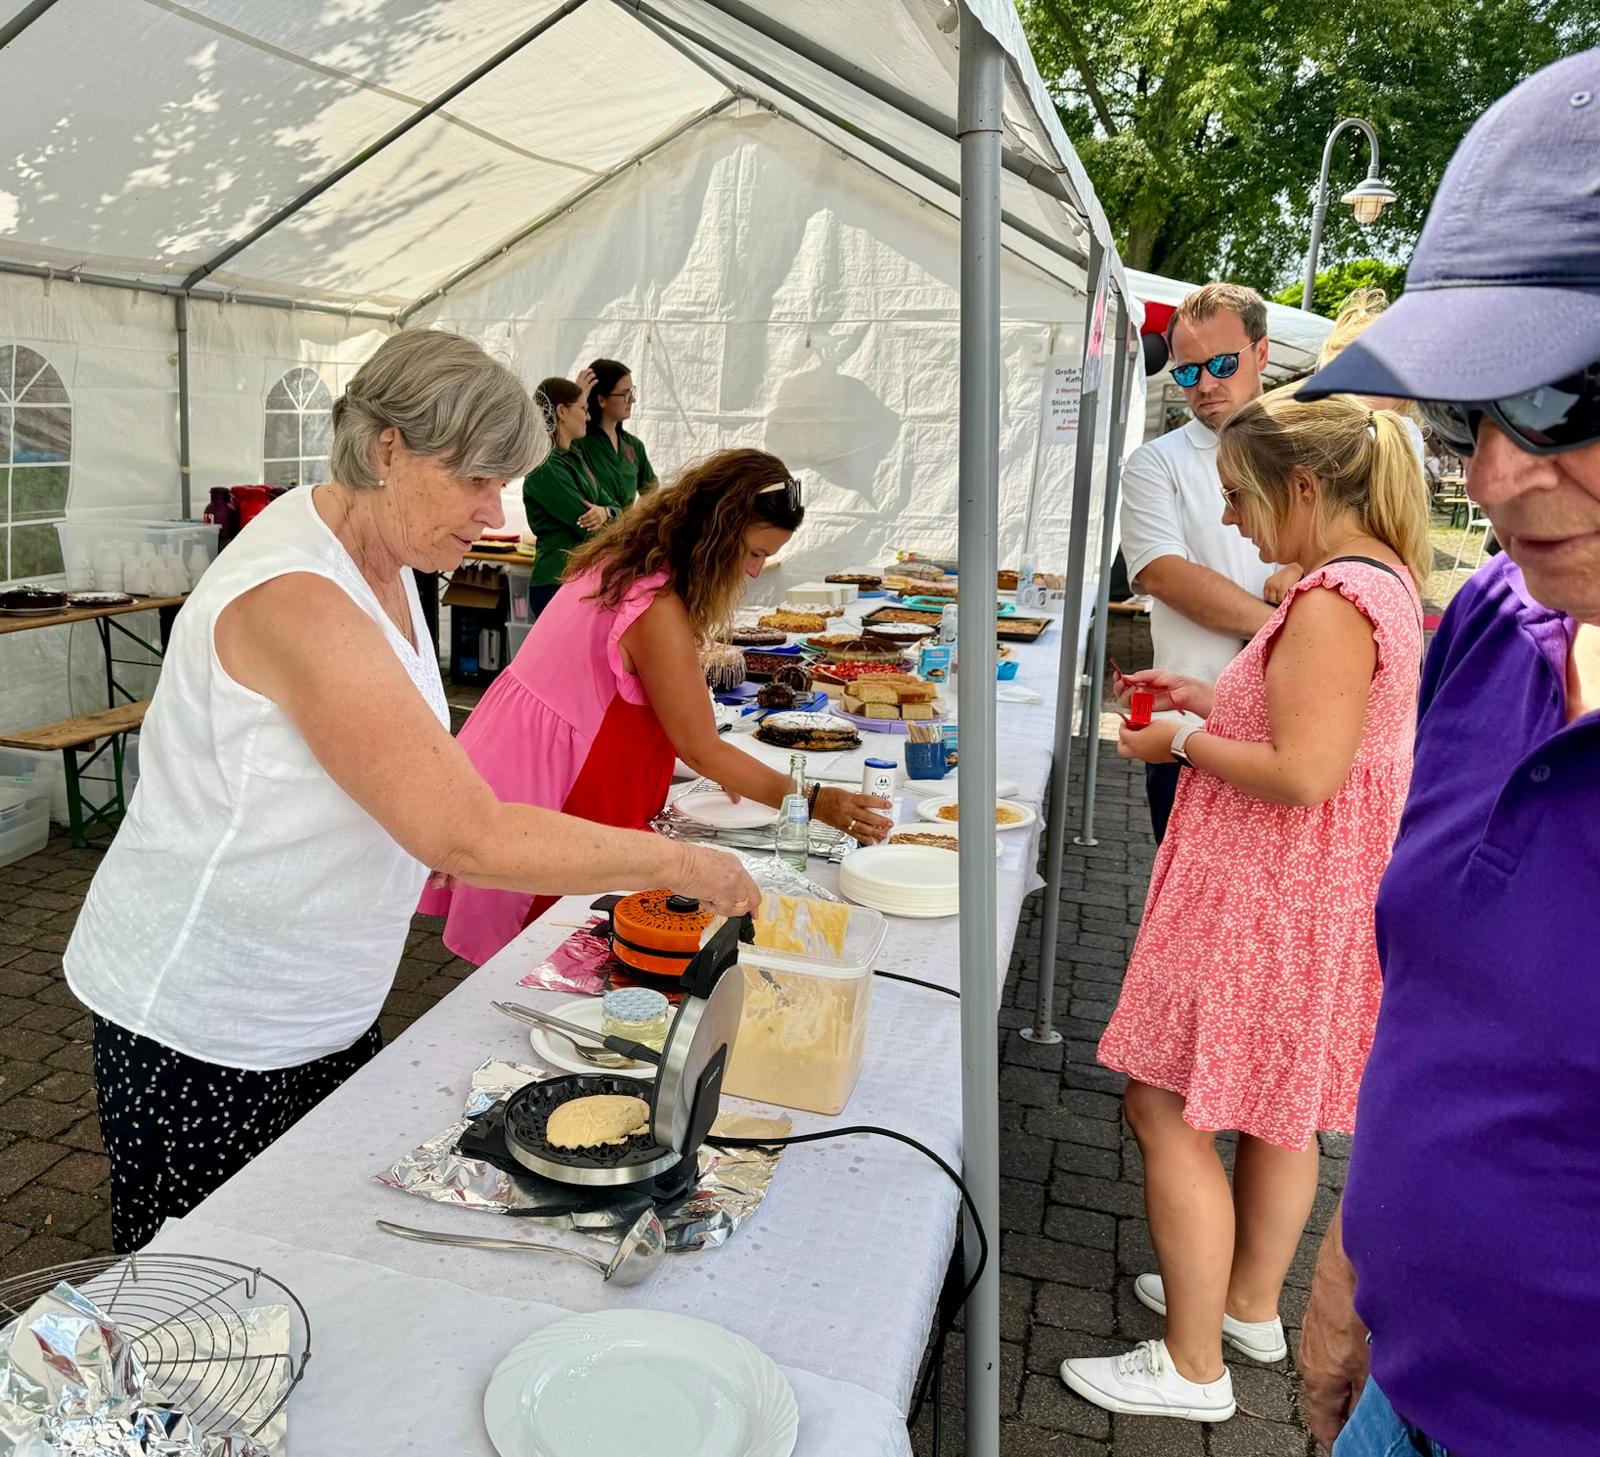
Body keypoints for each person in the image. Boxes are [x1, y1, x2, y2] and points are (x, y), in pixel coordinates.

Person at [62, 330, 759, 1255]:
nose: (493, 509)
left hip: (312, 995)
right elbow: (464, 833)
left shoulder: (380, 555)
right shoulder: (301, 596)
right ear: (388, 448)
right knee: (206, 1288)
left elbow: (393, 767)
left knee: (309, 1260)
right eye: (475, 479)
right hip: (214, 1016)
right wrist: (680, 863)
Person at [1290, 49, 1600, 1456]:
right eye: (1472, 410)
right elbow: (1435, 1008)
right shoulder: (1497, 616)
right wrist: (1352, 1269)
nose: (1490, 474)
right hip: (1403, 1392)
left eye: (1564, 397)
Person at [1059, 386, 1429, 1423]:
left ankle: (1191, 1366)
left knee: (1162, 1103)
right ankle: (1246, 1305)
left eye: (1238, 496)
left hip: (1266, 894)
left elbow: (1305, 772)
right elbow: (1320, 728)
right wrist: (1209, 700)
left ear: (1302, 488)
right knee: (1277, 1105)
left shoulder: (1330, 598)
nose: (1229, 518)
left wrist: (1180, 741)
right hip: (1310, 892)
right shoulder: (1380, 580)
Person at [420, 449, 894, 965]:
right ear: (716, 532)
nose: (756, 571)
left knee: (538, 945)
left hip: (531, 757)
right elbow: (702, 746)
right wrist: (816, 802)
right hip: (564, 784)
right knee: (548, 945)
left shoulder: (623, 562)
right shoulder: (655, 606)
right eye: (753, 552)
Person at [1119, 283, 1299, 841]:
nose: (1205, 384)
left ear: (1261, 352)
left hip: (1294, 726)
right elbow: (1162, 573)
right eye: (1187, 371)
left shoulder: (1312, 448)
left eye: (1221, 363)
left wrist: (1302, 573)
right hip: (1189, 725)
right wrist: (1284, 628)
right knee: (1182, 888)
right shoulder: (1156, 462)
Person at [524, 374, 615, 619]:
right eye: (583, 409)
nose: (588, 416)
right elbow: (583, 523)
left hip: (577, 579)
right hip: (556, 583)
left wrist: (606, 512)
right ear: (562, 412)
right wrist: (608, 513)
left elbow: (613, 505)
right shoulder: (546, 467)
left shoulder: (575, 458)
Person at [576, 358, 656, 510]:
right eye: (625, 394)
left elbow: (651, 491)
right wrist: (575, 397)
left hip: (627, 526)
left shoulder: (634, 445)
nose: (632, 399)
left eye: (631, 392)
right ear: (601, 400)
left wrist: (634, 520)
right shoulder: (578, 443)